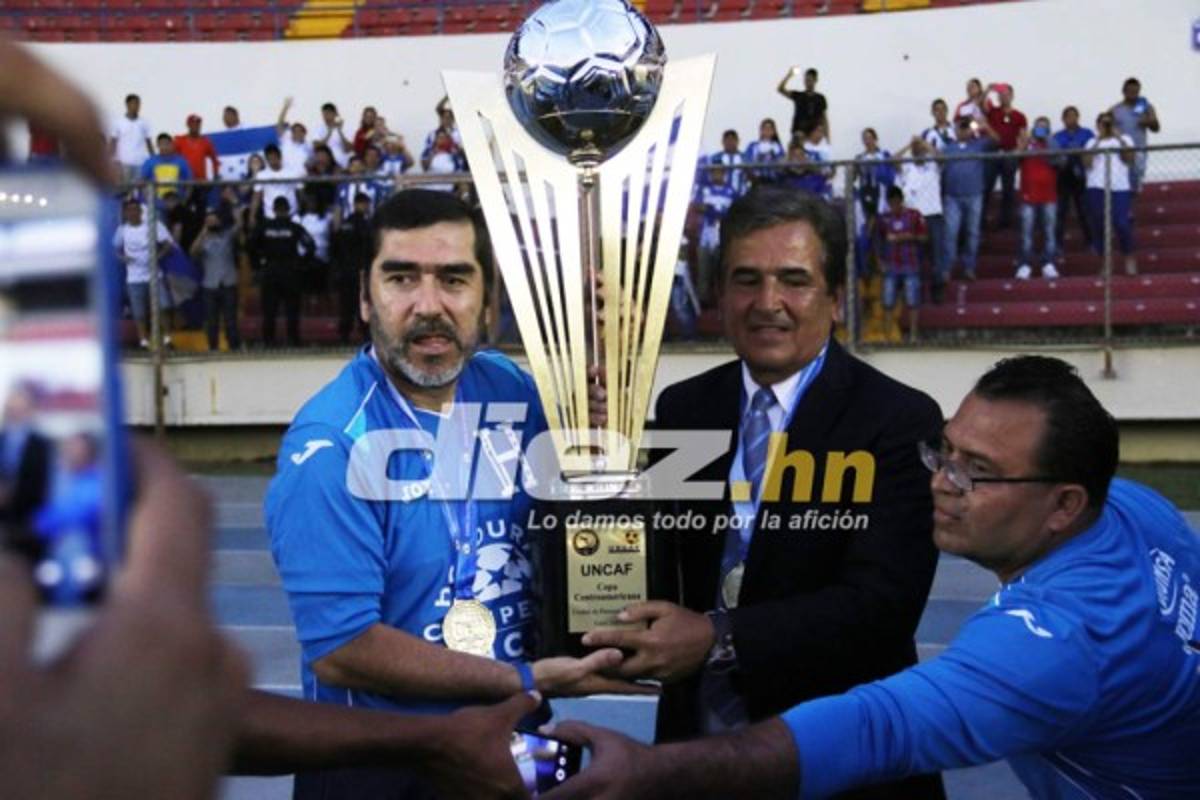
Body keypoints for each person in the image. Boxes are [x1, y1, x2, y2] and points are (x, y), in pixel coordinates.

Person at [546, 356, 1200, 800]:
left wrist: (648, 769)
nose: (941, 483)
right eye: (945, 451)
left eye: (977, 470)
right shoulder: (1135, 509)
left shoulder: (1051, 643)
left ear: (1064, 505)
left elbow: (877, 727)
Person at [264, 189, 640, 798]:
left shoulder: (513, 389)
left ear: (486, 298)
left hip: (516, 747)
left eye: (454, 279)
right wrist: (524, 673)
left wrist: (596, 407)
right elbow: (342, 648)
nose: (428, 305)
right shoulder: (330, 446)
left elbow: (583, 510)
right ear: (365, 296)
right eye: (402, 278)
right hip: (383, 770)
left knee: (624, 782)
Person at [581, 186, 945, 798]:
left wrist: (716, 639)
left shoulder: (898, 420)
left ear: (834, 299)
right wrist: (608, 464)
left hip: (840, 766)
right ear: (720, 295)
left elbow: (881, 607)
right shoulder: (683, 408)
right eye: (745, 280)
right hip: (693, 758)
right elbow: (660, 564)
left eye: (794, 280)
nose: (767, 303)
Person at [252, 195, 314, 347]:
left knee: (269, 309)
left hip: (270, 271)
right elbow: (310, 246)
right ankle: (293, 341)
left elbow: (251, 246)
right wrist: (301, 262)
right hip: (290, 271)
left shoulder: (264, 227)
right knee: (292, 309)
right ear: (288, 210)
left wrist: (259, 264)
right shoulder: (295, 227)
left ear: (273, 210)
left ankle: (268, 342)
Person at [942, 115, 998, 281]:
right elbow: (936, 156)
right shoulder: (949, 147)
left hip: (974, 195)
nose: (964, 130)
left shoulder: (979, 145)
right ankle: (947, 268)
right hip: (952, 197)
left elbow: (996, 140)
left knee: (972, 233)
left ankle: (969, 268)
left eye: (966, 127)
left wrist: (983, 126)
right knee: (951, 233)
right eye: (961, 126)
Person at [113, 197, 174, 348]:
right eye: (129, 210)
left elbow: (168, 244)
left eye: (136, 210)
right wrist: (122, 258)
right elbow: (113, 249)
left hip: (154, 275)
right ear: (126, 213)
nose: (133, 213)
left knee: (163, 306)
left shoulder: (153, 226)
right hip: (134, 278)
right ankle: (143, 341)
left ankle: (167, 338)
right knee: (139, 312)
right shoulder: (122, 230)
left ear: (141, 211)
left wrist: (158, 256)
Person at [1083, 111, 1137, 275]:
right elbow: (1087, 163)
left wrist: (1118, 137)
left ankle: (1129, 257)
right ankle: (1106, 262)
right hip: (1096, 185)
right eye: (1103, 123)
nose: (1106, 126)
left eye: (1109, 123)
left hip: (1119, 186)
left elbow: (1129, 159)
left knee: (1121, 223)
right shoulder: (1092, 141)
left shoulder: (1125, 140)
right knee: (1099, 224)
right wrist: (1099, 139)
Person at [896, 137, 946, 302]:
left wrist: (925, 145)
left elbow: (942, 158)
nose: (918, 150)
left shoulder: (932, 165)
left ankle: (937, 288)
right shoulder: (907, 166)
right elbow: (894, 159)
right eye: (916, 148)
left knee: (937, 255)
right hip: (913, 217)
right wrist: (909, 145)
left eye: (920, 148)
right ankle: (912, 290)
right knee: (912, 254)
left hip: (933, 214)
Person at [875, 185, 927, 341]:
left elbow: (924, 238)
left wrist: (905, 237)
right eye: (891, 204)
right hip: (891, 265)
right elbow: (877, 242)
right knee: (888, 300)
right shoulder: (884, 218)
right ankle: (888, 336)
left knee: (913, 300)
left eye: (896, 203)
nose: (894, 207)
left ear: (901, 201)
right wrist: (879, 261)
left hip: (910, 263)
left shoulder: (914, 215)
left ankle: (913, 334)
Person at [0, 383, 53, 531]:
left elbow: (44, 483)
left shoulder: (41, 444)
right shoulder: (2, 439)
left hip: (29, 518)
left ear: (29, 410)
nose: (15, 413)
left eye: (20, 409)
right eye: (12, 409)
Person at [190, 205, 242, 351]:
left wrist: (235, 207)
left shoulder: (227, 235)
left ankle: (234, 347)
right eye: (209, 221)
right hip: (210, 286)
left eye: (214, 220)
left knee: (230, 320)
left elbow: (239, 225)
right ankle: (213, 348)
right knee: (211, 321)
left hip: (228, 283)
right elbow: (193, 252)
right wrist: (204, 231)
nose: (212, 223)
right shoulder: (203, 240)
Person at [1015, 118, 1061, 280]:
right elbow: (1015, 159)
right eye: (1038, 127)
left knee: (1049, 232)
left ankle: (1048, 263)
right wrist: (1025, 141)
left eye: (1044, 127)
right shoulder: (1027, 144)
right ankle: (1025, 264)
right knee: (1026, 232)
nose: (1040, 130)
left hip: (1049, 195)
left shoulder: (1053, 144)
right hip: (1028, 195)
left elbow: (1060, 161)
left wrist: (1047, 140)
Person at [331, 190, 373, 345]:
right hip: (360, 270)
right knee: (362, 303)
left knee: (346, 305)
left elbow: (334, 248)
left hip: (344, 270)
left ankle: (344, 336)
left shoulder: (343, 224)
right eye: (365, 204)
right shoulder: (366, 225)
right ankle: (366, 337)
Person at [983, 83, 1028, 230]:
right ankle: (982, 221)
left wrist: (1017, 151)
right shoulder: (993, 112)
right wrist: (988, 90)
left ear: (1012, 96)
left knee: (1008, 188)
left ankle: (1006, 221)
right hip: (993, 155)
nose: (1004, 97)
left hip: (1010, 155)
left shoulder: (1019, 116)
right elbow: (980, 107)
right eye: (1001, 95)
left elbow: (1023, 136)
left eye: (1006, 94)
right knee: (987, 186)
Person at [1052, 105, 1094, 250]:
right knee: (1060, 211)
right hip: (1063, 175)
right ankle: (1057, 244)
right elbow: (1056, 153)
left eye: (1074, 115)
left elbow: (1091, 150)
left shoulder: (1087, 133)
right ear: (1063, 119)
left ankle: (1091, 242)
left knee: (1084, 210)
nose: (1071, 118)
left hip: (1081, 175)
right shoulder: (1057, 136)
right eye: (1068, 116)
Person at [695, 167, 738, 307]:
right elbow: (698, 206)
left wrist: (714, 210)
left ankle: (723, 297)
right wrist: (714, 210)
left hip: (722, 232)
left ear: (724, 174)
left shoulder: (731, 191)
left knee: (721, 266)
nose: (716, 175)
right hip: (706, 232)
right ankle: (704, 299)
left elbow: (735, 210)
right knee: (704, 266)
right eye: (714, 172)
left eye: (719, 172)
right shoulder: (704, 189)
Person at [1109, 77, 1160, 192]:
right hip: (1122, 153)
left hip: (1139, 151)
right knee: (1121, 184)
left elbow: (1156, 128)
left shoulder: (1146, 107)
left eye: (1135, 91)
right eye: (1130, 91)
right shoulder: (1115, 109)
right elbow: (1104, 126)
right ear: (1123, 91)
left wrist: (1148, 121)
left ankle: (1131, 206)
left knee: (1136, 185)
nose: (1133, 94)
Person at [252, 143, 303, 225]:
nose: (272, 161)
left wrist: (302, 211)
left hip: (291, 216)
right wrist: (252, 216)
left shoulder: (293, 172)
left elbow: (301, 193)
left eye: (274, 158)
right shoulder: (261, 175)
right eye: (269, 159)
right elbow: (256, 197)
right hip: (270, 216)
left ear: (280, 157)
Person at [109, 92, 153, 186]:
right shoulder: (118, 122)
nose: (136, 106)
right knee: (124, 189)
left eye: (138, 104)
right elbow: (113, 142)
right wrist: (110, 159)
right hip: (124, 162)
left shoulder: (144, 123)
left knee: (139, 190)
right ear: (127, 104)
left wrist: (153, 159)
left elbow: (149, 142)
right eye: (134, 103)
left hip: (140, 163)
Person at [776, 66, 828, 141]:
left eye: (810, 80)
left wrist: (827, 137)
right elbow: (780, 89)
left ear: (815, 80)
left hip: (813, 136)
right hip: (798, 134)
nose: (807, 82)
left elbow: (824, 119)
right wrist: (789, 75)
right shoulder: (798, 96)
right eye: (806, 80)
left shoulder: (820, 98)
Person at [139, 133, 192, 201]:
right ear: (158, 145)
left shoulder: (181, 162)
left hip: (176, 205)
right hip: (156, 206)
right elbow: (141, 182)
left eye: (167, 144)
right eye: (162, 144)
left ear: (172, 144)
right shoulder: (150, 162)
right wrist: (148, 200)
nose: (165, 147)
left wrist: (184, 200)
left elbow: (190, 183)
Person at [173, 113, 220, 183]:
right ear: (188, 125)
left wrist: (215, 175)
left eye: (198, 124)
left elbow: (215, 160)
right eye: (192, 124)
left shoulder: (206, 141)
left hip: (201, 182)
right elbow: (172, 159)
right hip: (185, 181)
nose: (195, 126)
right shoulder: (179, 140)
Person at [743, 118, 784, 187]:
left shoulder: (778, 147)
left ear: (774, 131)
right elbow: (747, 162)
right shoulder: (753, 146)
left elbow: (781, 163)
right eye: (765, 128)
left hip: (773, 181)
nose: (767, 131)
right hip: (757, 181)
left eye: (770, 129)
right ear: (761, 130)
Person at [313, 101, 353, 169]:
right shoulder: (318, 128)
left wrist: (340, 131)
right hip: (325, 166)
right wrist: (329, 132)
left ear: (335, 114)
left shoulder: (345, 128)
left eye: (328, 113)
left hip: (342, 164)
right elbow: (316, 146)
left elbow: (348, 149)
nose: (326, 116)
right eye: (324, 114)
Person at [708, 130, 748, 196]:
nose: (730, 142)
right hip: (720, 196)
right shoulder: (715, 158)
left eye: (732, 139)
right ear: (722, 141)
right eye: (727, 140)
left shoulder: (745, 158)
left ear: (738, 141)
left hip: (741, 197)